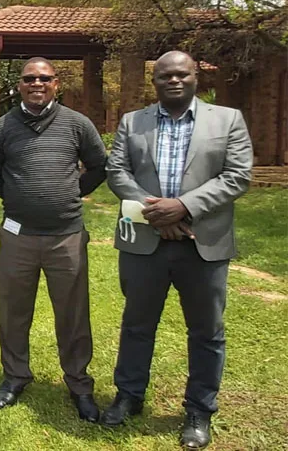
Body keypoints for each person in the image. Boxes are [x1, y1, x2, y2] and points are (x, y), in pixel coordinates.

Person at [101, 51, 252, 449]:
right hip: (146, 243)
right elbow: (116, 171)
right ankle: (128, 396)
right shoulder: (134, 121)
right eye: (165, 76)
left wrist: (184, 207)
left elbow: (237, 176)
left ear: (195, 77)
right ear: (155, 82)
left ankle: (199, 410)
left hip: (202, 244)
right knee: (137, 325)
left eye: (181, 74)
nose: (173, 81)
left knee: (206, 331)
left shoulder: (227, 120)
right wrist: (157, 212)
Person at [0, 58, 107, 422]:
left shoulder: (76, 124)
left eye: (44, 78)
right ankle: (15, 375)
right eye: (29, 78)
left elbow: (99, 166)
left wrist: (70, 193)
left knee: (73, 314)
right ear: (18, 85)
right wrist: (20, 198)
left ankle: (79, 383)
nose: (37, 83)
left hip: (66, 237)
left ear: (57, 83)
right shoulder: (3, 128)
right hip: (18, 237)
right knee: (14, 312)